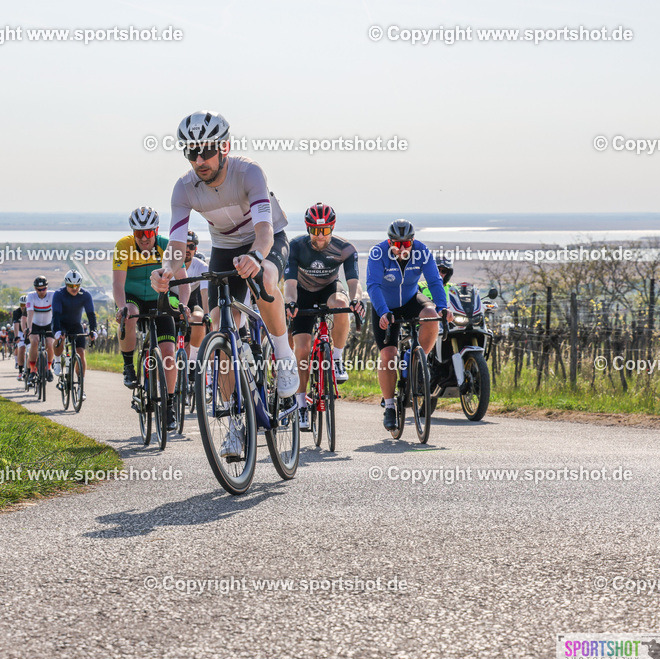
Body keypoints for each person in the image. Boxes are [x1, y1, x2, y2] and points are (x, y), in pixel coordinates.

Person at [150, 111, 299, 410]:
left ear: (224, 148)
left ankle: (284, 357)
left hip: (265, 239)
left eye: (206, 151)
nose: (199, 160)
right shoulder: (183, 188)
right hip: (225, 247)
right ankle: (234, 418)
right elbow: (177, 245)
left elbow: (265, 231)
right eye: (192, 153)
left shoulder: (248, 172)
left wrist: (256, 256)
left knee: (265, 278)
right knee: (219, 329)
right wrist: (166, 270)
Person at [284, 203, 365, 429]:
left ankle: (336, 358)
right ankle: (301, 404)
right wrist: (290, 302)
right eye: (315, 231)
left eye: (325, 231)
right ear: (308, 228)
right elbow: (289, 285)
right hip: (302, 294)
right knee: (302, 348)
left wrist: (356, 299)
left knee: (341, 304)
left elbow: (353, 283)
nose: (320, 237)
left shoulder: (345, 248)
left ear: (332, 227)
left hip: (329, 290)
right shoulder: (295, 247)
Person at [366, 220, 452, 431]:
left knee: (431, 316)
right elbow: (373, 285)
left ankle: (417, 364)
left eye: (407, 244)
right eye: (397, 244)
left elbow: (434, 281)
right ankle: (389, 406)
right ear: (389, 241)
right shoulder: (378, 253)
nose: (402, 248)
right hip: (385, 305)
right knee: (388, 355)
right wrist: (384, 311)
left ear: (413, 241)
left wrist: (443, 307)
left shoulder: (421, 251)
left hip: (411, 300)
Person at [113, 206, 179, 430]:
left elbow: (182, 277)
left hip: (158, 298)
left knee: (169, 353)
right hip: (132, 298)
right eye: (138, 233)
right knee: (129, 314)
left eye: (148, 233)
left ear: (156, 230)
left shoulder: (166, 245)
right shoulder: (124, 247)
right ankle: (128, 365)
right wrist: (121, 307)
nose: (143, 238)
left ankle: (169, 405)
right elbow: (117, 284)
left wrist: (184, 304)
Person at [52, 270, 97, 400]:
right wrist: (57, 331)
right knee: (60, 339)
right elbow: (56, 314)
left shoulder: (85, 295)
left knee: (81, 353)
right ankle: (56, 360)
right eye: (71, 286)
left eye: (77, 285)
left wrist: (93, 330)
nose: (74, 288)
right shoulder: (59, 294)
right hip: (61, 323)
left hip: (75, 325)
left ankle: (81, 386)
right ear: (66, 284)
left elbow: (91, 314)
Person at [182, 230, 210, 369]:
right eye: (184, 246)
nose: (187, 249)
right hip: (172, 302)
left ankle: (192, 363)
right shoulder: (170, 263)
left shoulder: (201, 266)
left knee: (200, 318)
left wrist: (207, 314)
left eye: (191, 246)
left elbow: (205, 293)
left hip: (192, 302)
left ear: (195, 249)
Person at [26, 276, 55, 381]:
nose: (42, 291)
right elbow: (30, 313)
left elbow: (56, 312)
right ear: (35, 289)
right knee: (34, 341)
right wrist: (29, 328)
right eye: (39, 289)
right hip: (35, 324)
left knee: (50, 343)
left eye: (44, 288)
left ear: (47, 287)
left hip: (48, 323)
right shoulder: (31, 296)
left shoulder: (53, 295)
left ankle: (49, 367)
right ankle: (33, 370)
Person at [13, 294, 28, 380]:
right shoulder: (16, 312)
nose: (23, 307)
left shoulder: (31, 310)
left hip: (30, 331)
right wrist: (16, 337)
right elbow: (16, 325)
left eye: (25, 305)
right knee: (21, 349)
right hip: (20, 332)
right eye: (22, 305)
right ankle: (20, 371)